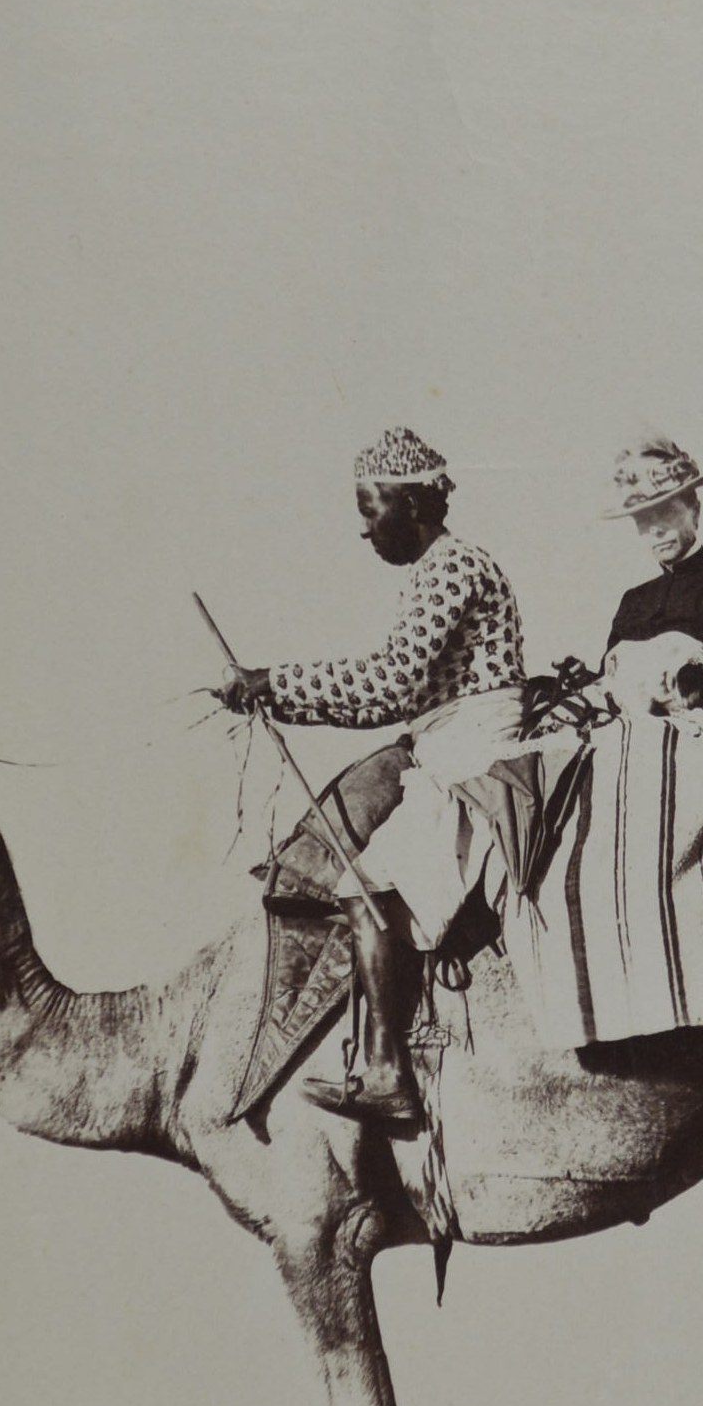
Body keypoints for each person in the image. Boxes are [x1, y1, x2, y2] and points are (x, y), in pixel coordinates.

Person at [223, 427, 525, 1124]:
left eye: (369, 508)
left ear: (413, 504)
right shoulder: (438, 571)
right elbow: (384, 699)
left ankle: (389, 1072)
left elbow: (389, 685)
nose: (362, 529)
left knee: (364, 888)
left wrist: (275, 680)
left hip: (471, 753)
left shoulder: (454, 568)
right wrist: (276, 695)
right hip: (444, 744)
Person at [600, 437, 703, 700]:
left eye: (666, 512)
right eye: (643, 519)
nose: (655, 529)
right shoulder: (633, 601)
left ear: (695, 512)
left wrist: (694, 675)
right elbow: (613, 680)